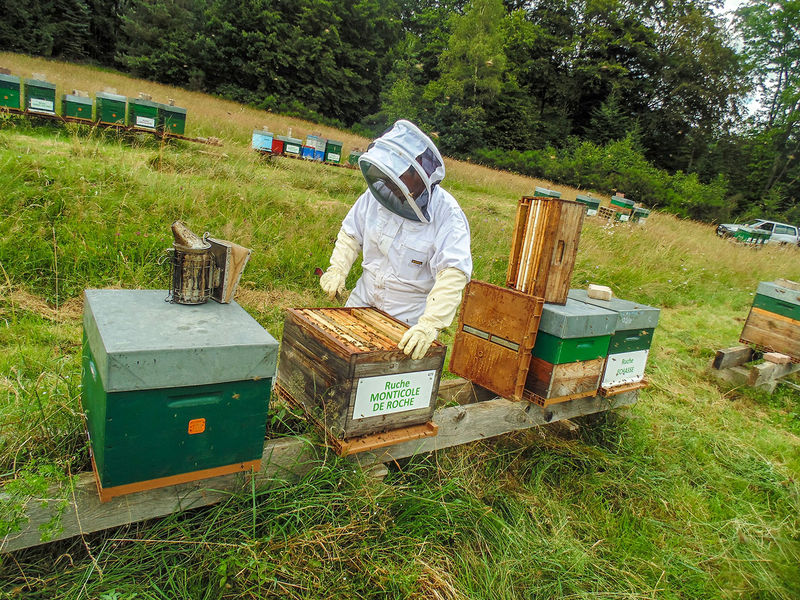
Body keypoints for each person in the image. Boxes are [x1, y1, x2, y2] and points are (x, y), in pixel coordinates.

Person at [319, 120, 472, 360]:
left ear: (419, 172)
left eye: (397, 176)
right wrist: (337, 268)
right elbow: (351, 234)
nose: (390, 184)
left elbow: (453, 273)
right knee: (338, 362)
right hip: (362, 299)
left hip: (406, 318)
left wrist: (430, 324)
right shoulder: (377, 196)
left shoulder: (448, 215)